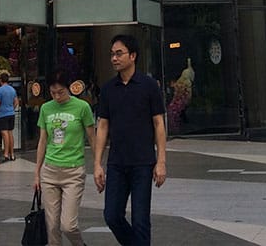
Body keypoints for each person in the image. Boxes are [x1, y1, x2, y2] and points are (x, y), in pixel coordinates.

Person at [94, 34, 167, 246]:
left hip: (143, 163)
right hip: (117, 163)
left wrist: (161, 161)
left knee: (140, 220)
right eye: (112, 54)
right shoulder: (108, 89)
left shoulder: (149, 86)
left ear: (132, 56)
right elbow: (103, 126)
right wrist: (97, 164)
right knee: (112, 215)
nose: (114, 58)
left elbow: (158, 124)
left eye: (119, 54)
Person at [33, 72, 97, 246]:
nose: (57, 96)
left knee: (68, 225)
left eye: (60, 92)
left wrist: (98, 164)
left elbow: (92, 138)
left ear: (69, 88)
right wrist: (37, 173)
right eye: (53, 93)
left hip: (73, 171)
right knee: (52, 226)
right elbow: (42, 141)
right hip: (50, 171)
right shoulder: (46, 108)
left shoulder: (82, 107)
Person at [0, 72, 20, 162]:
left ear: (1, 80)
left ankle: (6, 154)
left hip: (3, 114)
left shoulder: (0, 90)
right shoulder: (12, 89)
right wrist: (12, 108)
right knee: (10, 133)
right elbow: (16, 101)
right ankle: (12, 154)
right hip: (11, 113)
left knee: (4, 133)